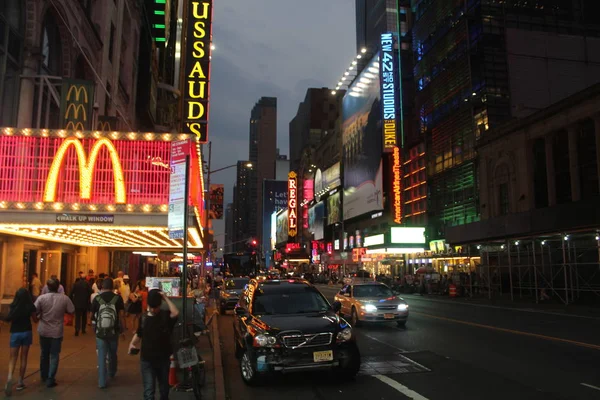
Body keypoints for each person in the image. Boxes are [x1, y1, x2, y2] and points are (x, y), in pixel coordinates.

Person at [129, 290, 179, 400]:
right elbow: (139, 333)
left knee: (164, 389)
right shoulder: (144, 318)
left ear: (160, 305)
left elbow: (175, 313)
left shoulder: (165, 316)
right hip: (147, 360)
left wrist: (165, 297)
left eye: (155, 307)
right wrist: (132, 344)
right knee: (149, 391)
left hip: (163, 359)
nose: (152, 309)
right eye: (151, 306)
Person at [34, 278, 75, 388]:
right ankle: (50, 378)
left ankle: (44, 375)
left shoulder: (41, 298)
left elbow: (34, 310)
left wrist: (38, 317)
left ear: (47, 287)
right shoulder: (64, 299)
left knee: (44, 353)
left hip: (43, 330)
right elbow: (71, 310)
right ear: (58, 287)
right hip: (56, 331)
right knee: (54, 355)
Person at [91, 278, 125, 389]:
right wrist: (123, 330)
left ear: (102, 287)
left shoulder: (97, 299)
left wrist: (94, 329)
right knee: (112, 353)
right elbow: (121, 315)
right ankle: (112, 372)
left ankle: (102, 382)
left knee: (101, 356)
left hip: (100, 332)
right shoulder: (117, 298)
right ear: (112, 287)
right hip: (113, 331)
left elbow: (92, 317)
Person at [3, 288, 38, 396]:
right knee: (24, 357)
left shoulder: (13, 306)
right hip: (26, 332)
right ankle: (20, 382)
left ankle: (9, 377)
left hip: (15, 333)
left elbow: (8, 318)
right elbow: (35, 319)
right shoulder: (30, 306)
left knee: (13, 357)